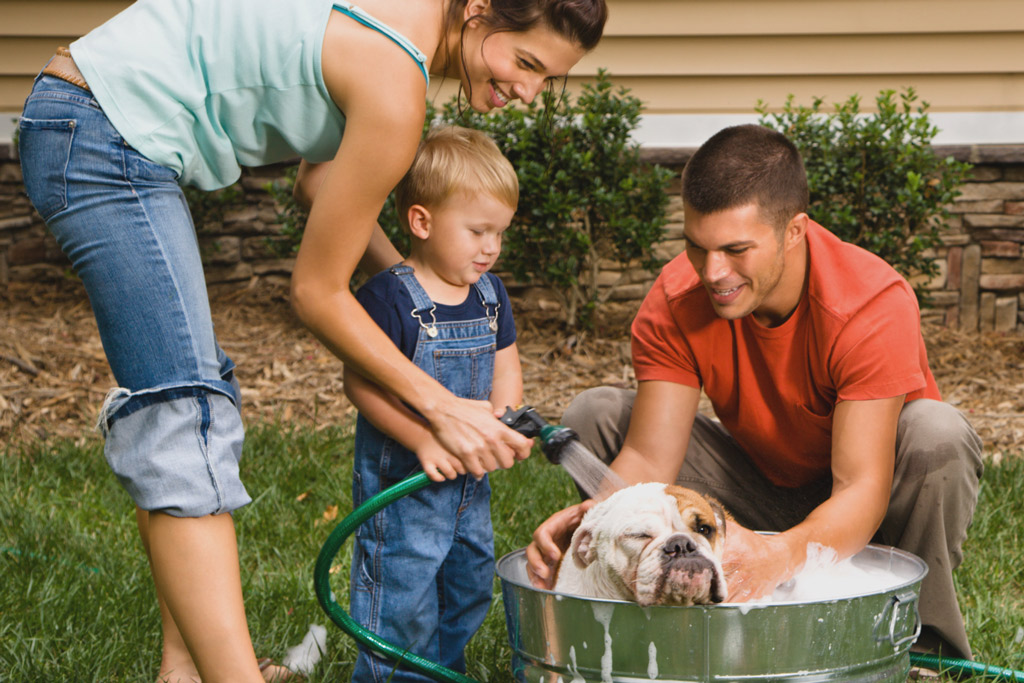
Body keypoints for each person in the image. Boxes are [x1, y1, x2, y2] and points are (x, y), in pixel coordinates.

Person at [17, 1, 606, 681]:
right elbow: (315, 293)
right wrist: (441, 407)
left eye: (547, 79)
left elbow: (318, 180)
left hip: (88, 113)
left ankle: (182, 670)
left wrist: (415, 294)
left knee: (186, 398)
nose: (529, 92)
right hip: (99, 131)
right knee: (184, 414)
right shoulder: (396, 80)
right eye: (525, 62)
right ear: (477, 10)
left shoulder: (397, 21)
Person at [525, 124, 984, 661]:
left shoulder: (868, 303)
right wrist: (594, 517)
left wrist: (779, 554)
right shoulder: (678, 298)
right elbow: (650, 457)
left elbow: (860, 486)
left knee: (937, 432)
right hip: (755, 489)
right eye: (698, 248)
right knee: (599, 412)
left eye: (736, 249)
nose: (713, 272)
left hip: (871, 506)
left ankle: (920, 648)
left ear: (794, 231)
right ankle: (644, 625)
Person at [343, 125, 522, 682]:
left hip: (470, 489)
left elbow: (505, 359)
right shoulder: (390, 298)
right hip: (405, 494)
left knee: (467, 587)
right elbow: (360, 383)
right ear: (422, 222)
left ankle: (441, 674)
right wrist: (422, 438)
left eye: (499, 233)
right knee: (401, 600)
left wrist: (507, 416)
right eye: (477, 231)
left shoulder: (489, 294)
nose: (490, 247)